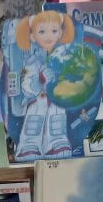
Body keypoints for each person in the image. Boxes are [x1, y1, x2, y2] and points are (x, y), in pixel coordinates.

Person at [14, 11, 75, 158]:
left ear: (60, 33)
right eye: (42, 32)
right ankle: (29, 144)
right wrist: (39, 80)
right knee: (34, 121)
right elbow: (26, 86)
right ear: (33, 36)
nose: (49, 36)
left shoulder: (62, 59)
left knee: (57, 120)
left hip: (56, 99)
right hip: (37, 100)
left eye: (54, 31)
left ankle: (56, 142)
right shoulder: (32, 62)